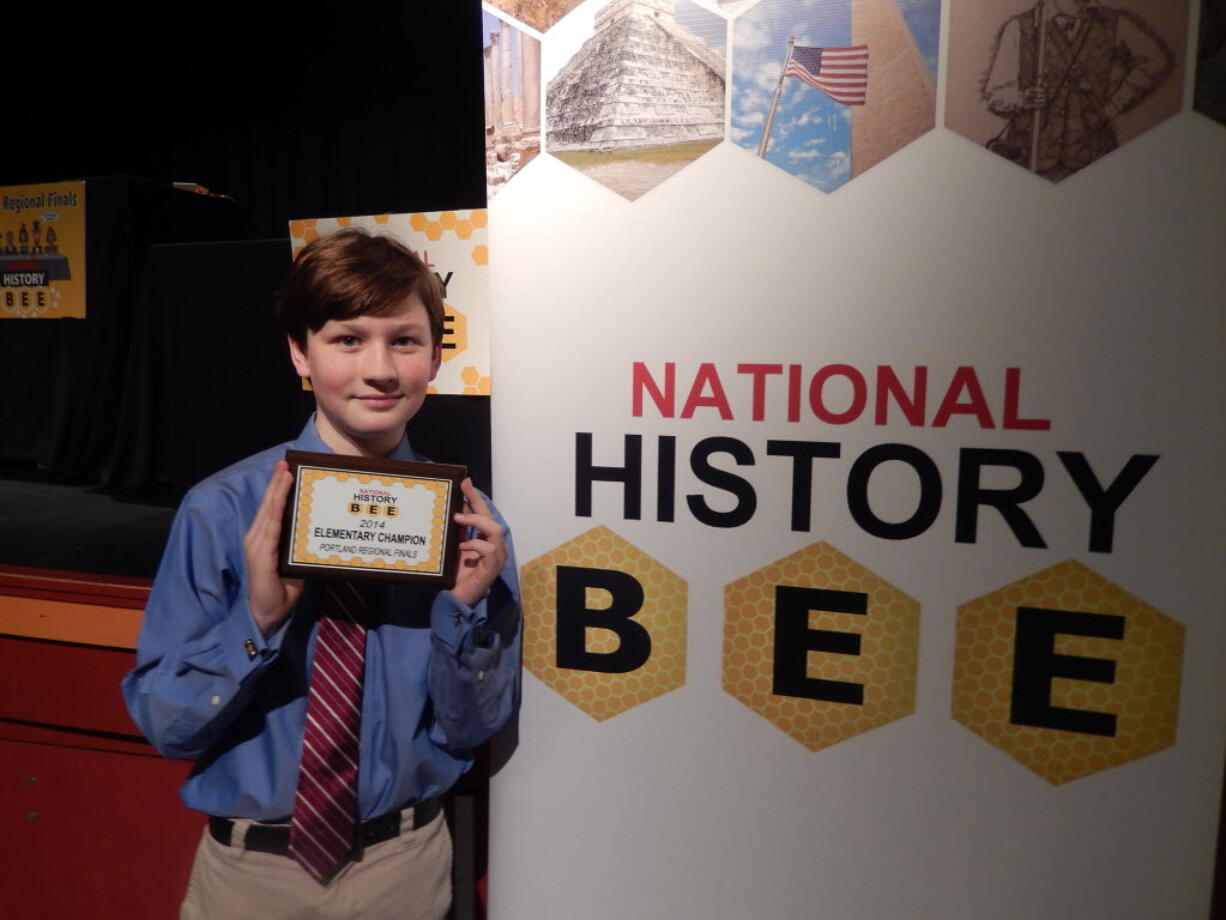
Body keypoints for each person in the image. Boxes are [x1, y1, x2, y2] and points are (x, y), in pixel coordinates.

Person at [122, 228, 520, 919]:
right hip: (252, 876)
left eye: (404, 340)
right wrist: (258, 622)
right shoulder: (222, 511)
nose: (381, 370)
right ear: (300, 353)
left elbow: (468, 732)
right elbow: (168, 725)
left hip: (403, 866)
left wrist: (459, 609)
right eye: (347, 340)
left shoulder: (469, 527)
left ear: (436, 357)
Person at [982, 0, 1173, 180]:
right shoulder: (1020, 27)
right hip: (1030, 160)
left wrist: (1112, 107)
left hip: (1094, 160)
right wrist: (1023, 98)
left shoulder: (1112, 22)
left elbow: (1156, 61)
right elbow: (995, 95)